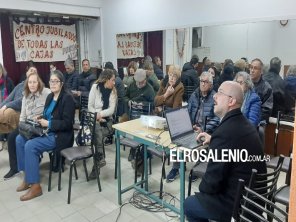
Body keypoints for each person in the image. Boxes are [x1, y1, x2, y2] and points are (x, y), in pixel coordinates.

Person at [184, 81, 267, 222]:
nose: (215, 96)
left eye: (220, 93)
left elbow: (211, 184)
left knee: (189, 204)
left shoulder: (225, 132)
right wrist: (214, 139)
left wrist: (202, 194)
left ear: (231, 101)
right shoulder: (243, 124)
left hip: (238, 206)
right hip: (253, 201)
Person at [15, 70, 75, 201]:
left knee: (30, 145)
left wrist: (48, 123)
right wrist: (41, 117)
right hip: (46, 131)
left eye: (56, 81)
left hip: (60, 136)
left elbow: (67, 124)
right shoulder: (50, 97)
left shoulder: (67, 98)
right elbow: (48, 114)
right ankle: (27, 177)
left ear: (62, 83)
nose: (53, 83)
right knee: (19, 139)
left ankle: (36, 187)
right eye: (51, 81)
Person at [166, 71, 219, 182]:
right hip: (192, 127)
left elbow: (217, 119)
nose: (203, 84)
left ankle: (197, 168)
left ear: (211, 84)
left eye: (206, 82)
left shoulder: (215, 98)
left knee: (204, 140)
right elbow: (187, 112)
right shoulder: (194, 95)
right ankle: (176, 167)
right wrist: (187, 125)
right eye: (201, 81)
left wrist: (203, 129)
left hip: (206, 130)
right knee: (177, 140)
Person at [4, 71, 50, 179]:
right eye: (30, 82)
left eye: (34, 82)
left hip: (39, 126)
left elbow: (52, 108)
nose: (32, 84)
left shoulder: (46, 93)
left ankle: (31, 168)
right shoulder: (25, 94)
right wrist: (23, 126)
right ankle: (18, 169)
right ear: (27, 81)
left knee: (27, 142)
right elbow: (22, 117)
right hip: (27, 125)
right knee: (13, 138)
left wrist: (43, 119)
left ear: (38, 82)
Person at [87, 69, 117, 179]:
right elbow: (90, 106)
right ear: (106, 79)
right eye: (112, 80)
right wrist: (96, 117)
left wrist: (99, 114)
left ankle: (98, 160)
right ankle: (99, 157)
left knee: (96, 131)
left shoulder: (113, 91)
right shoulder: (95, 87)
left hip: (108, 122)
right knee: (96, 128)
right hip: (95, 120)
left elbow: (111, 110)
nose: (114, 83)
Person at [0, 67, 37, 134]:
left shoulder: (35, 87)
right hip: (11, 111)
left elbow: (22, 101)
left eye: (35, 71)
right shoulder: (20, 85)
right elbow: (8, 99)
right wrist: (1, 107)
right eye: (31, 70)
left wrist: (6, 106)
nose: (33, 72)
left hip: (21, 112)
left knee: (8, 112)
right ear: (27, 73)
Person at [250, 58, 273, 123]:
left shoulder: (267, 88)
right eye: (251, 67)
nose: (252, 70)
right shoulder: (245, 84)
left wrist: (252, 119)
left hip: (257, 122)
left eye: (255, 68)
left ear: (261, 71)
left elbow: (266, 110)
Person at [0, 63, 14, 150]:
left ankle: (9, 141)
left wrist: (7, 105)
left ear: (2, 71)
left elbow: (14, 95)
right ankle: (1, 141)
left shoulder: (8, 81)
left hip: (7, 106)